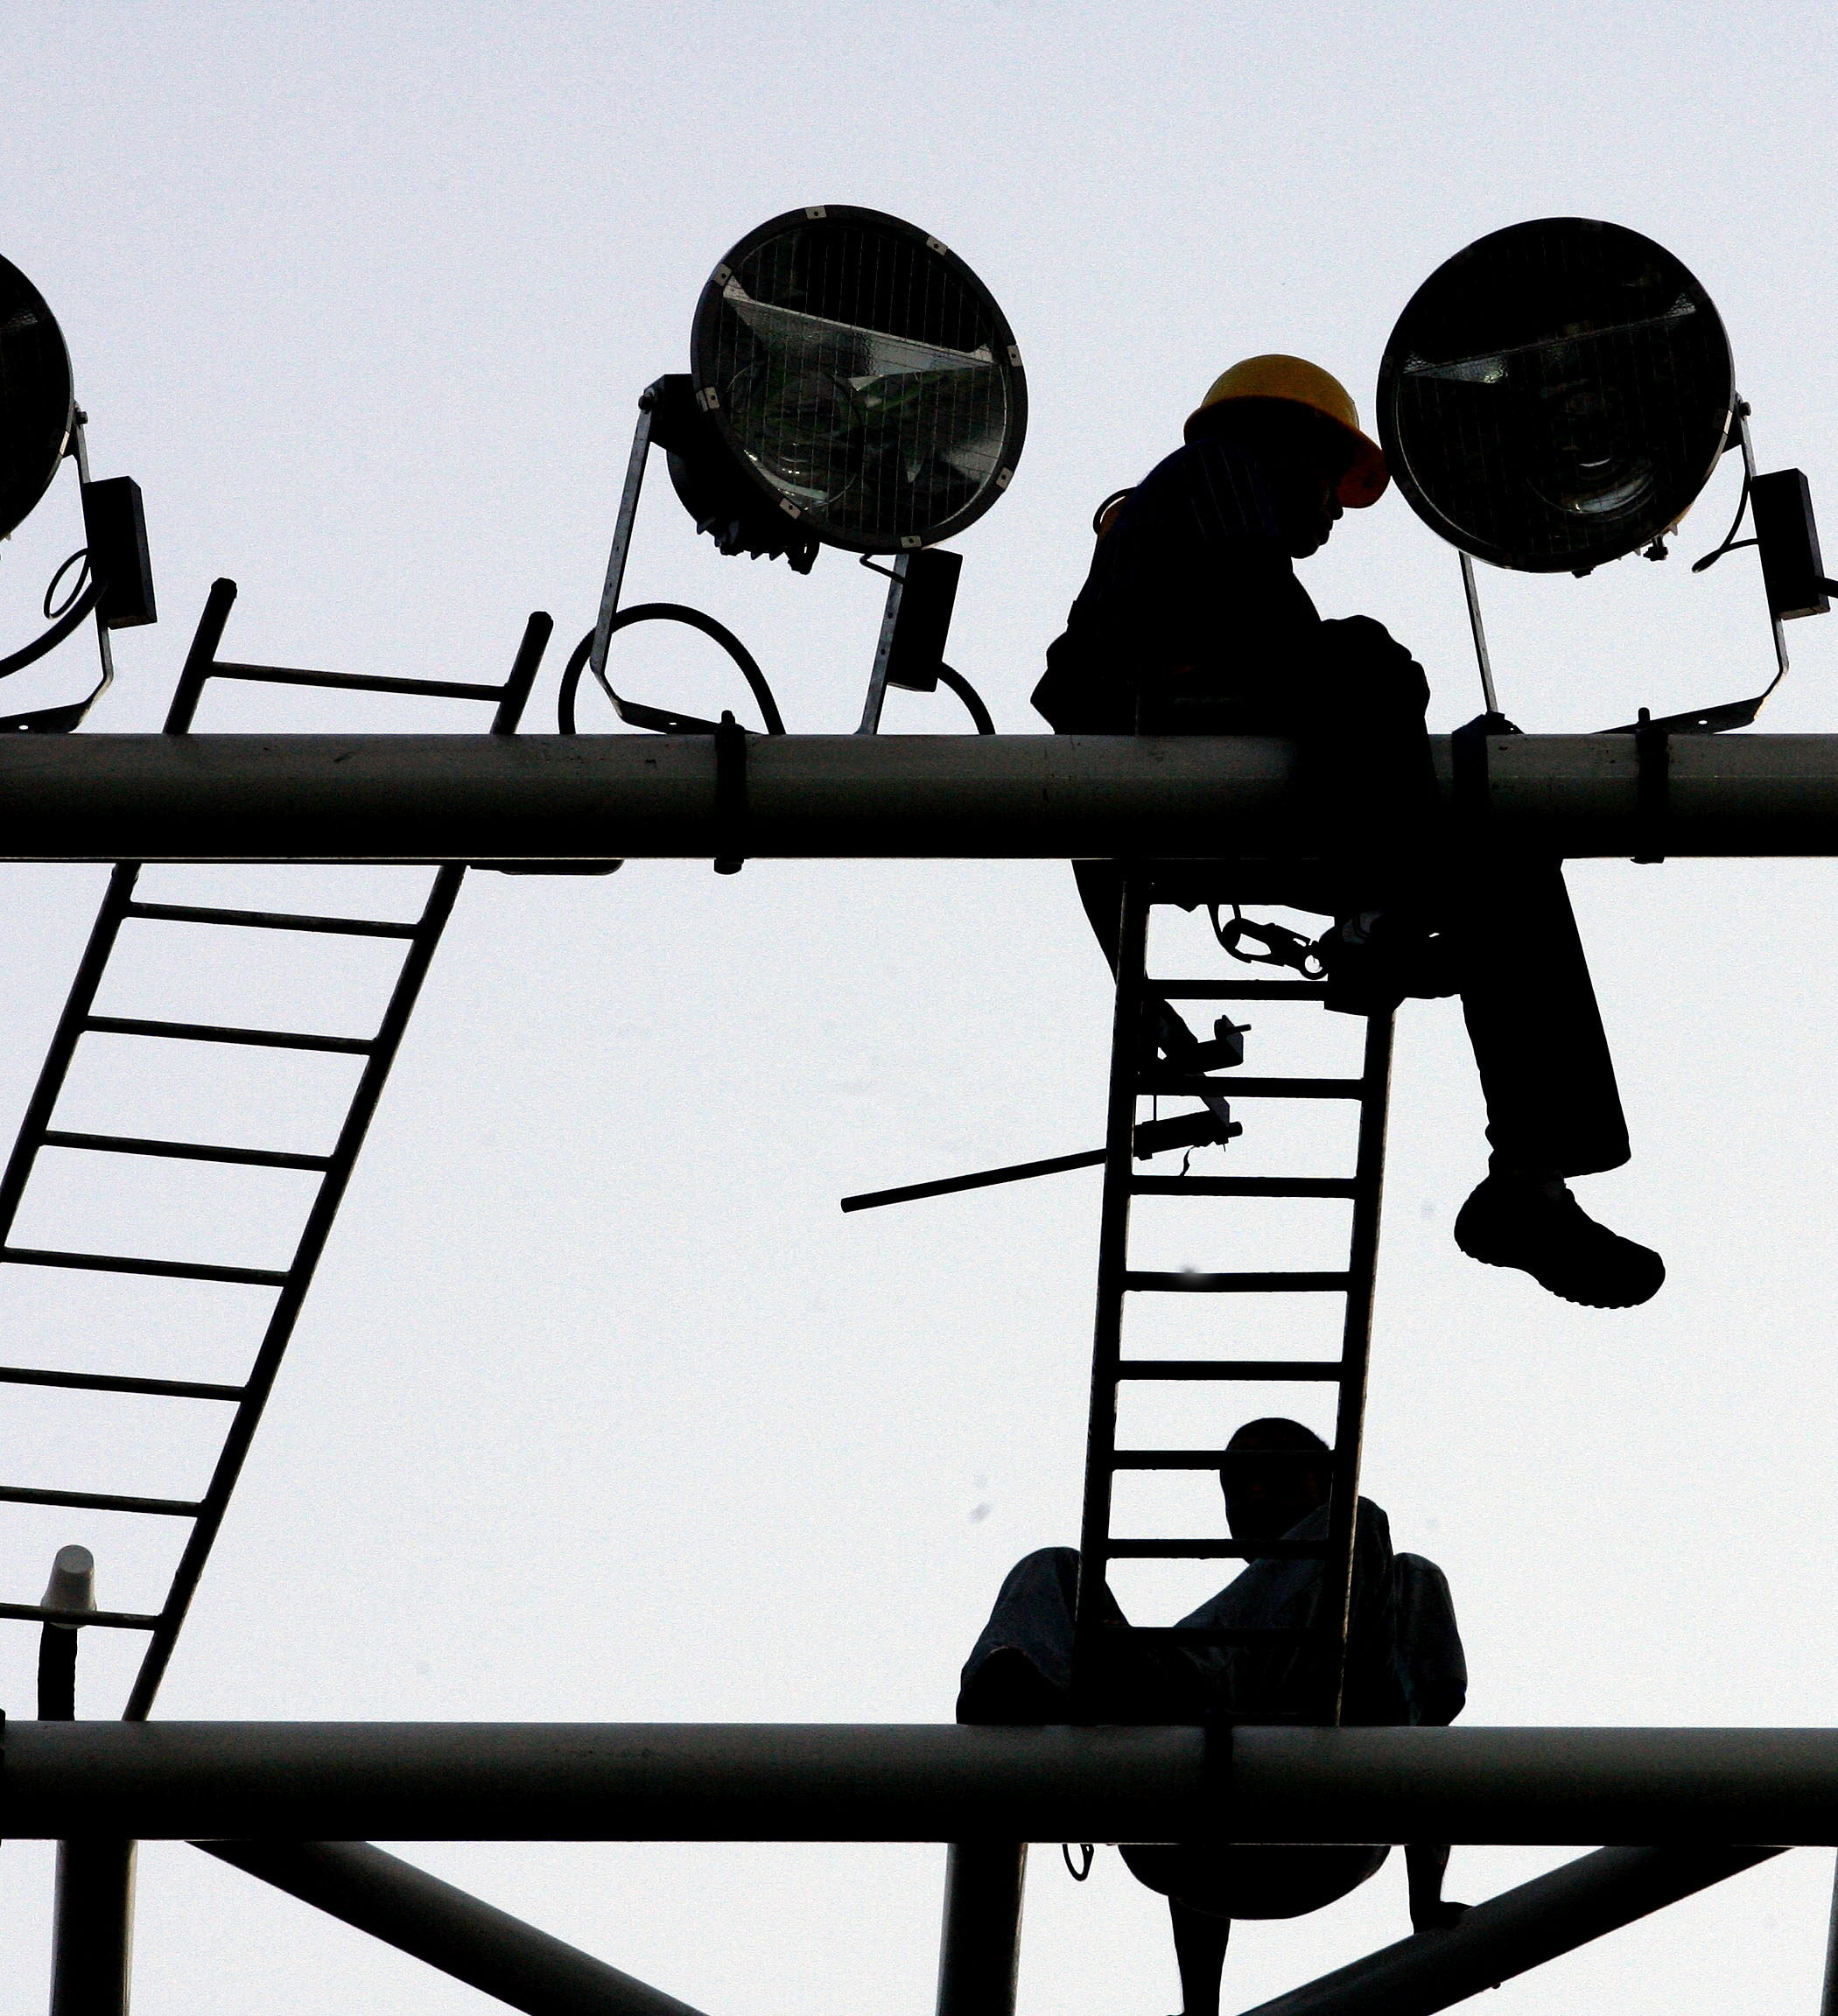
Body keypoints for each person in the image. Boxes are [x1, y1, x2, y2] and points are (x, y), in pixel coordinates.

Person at [1033, 355, 1663, 1311]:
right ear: (1286, 444)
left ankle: (1528, 1182)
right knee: (1368, 660)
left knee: (1509, 853)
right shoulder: (1213, 477)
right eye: (1332, 484)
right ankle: (1381, 917)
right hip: (1175, 732)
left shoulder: (1200, 523)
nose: (1334, 512)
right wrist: (1397, 870)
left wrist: (1133, 985)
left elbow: (1099, 843)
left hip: (1238, 791)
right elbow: (1284, 644)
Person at [957, 1420, 1468, 2016]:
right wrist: (1201, 2004)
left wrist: (1425, 1901)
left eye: (1273, 1476)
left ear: (1322, 1481)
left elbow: (1432, 1738)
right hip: (1191, 1831)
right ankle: (1017, 1687)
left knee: (1368, 1532)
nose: (1252, 1494)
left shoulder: (1397, 1579)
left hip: (1337, 1818)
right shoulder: (1235, 1647)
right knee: (1053, 1570)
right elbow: (1197, 1795)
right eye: (1237, 1485)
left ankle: (1155, 1685)